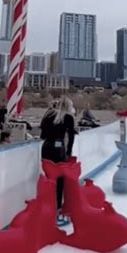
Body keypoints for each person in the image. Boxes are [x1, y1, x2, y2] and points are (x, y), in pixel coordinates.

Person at [39, 96, 76, 226]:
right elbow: (71, 138)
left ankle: (46, 208)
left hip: (46, 148)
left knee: (49, 179)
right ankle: (57, 211)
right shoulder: (68, 118)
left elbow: (42, 135)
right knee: (59, 180)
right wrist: (68, 153)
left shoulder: (48, 115)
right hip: (58, 150)